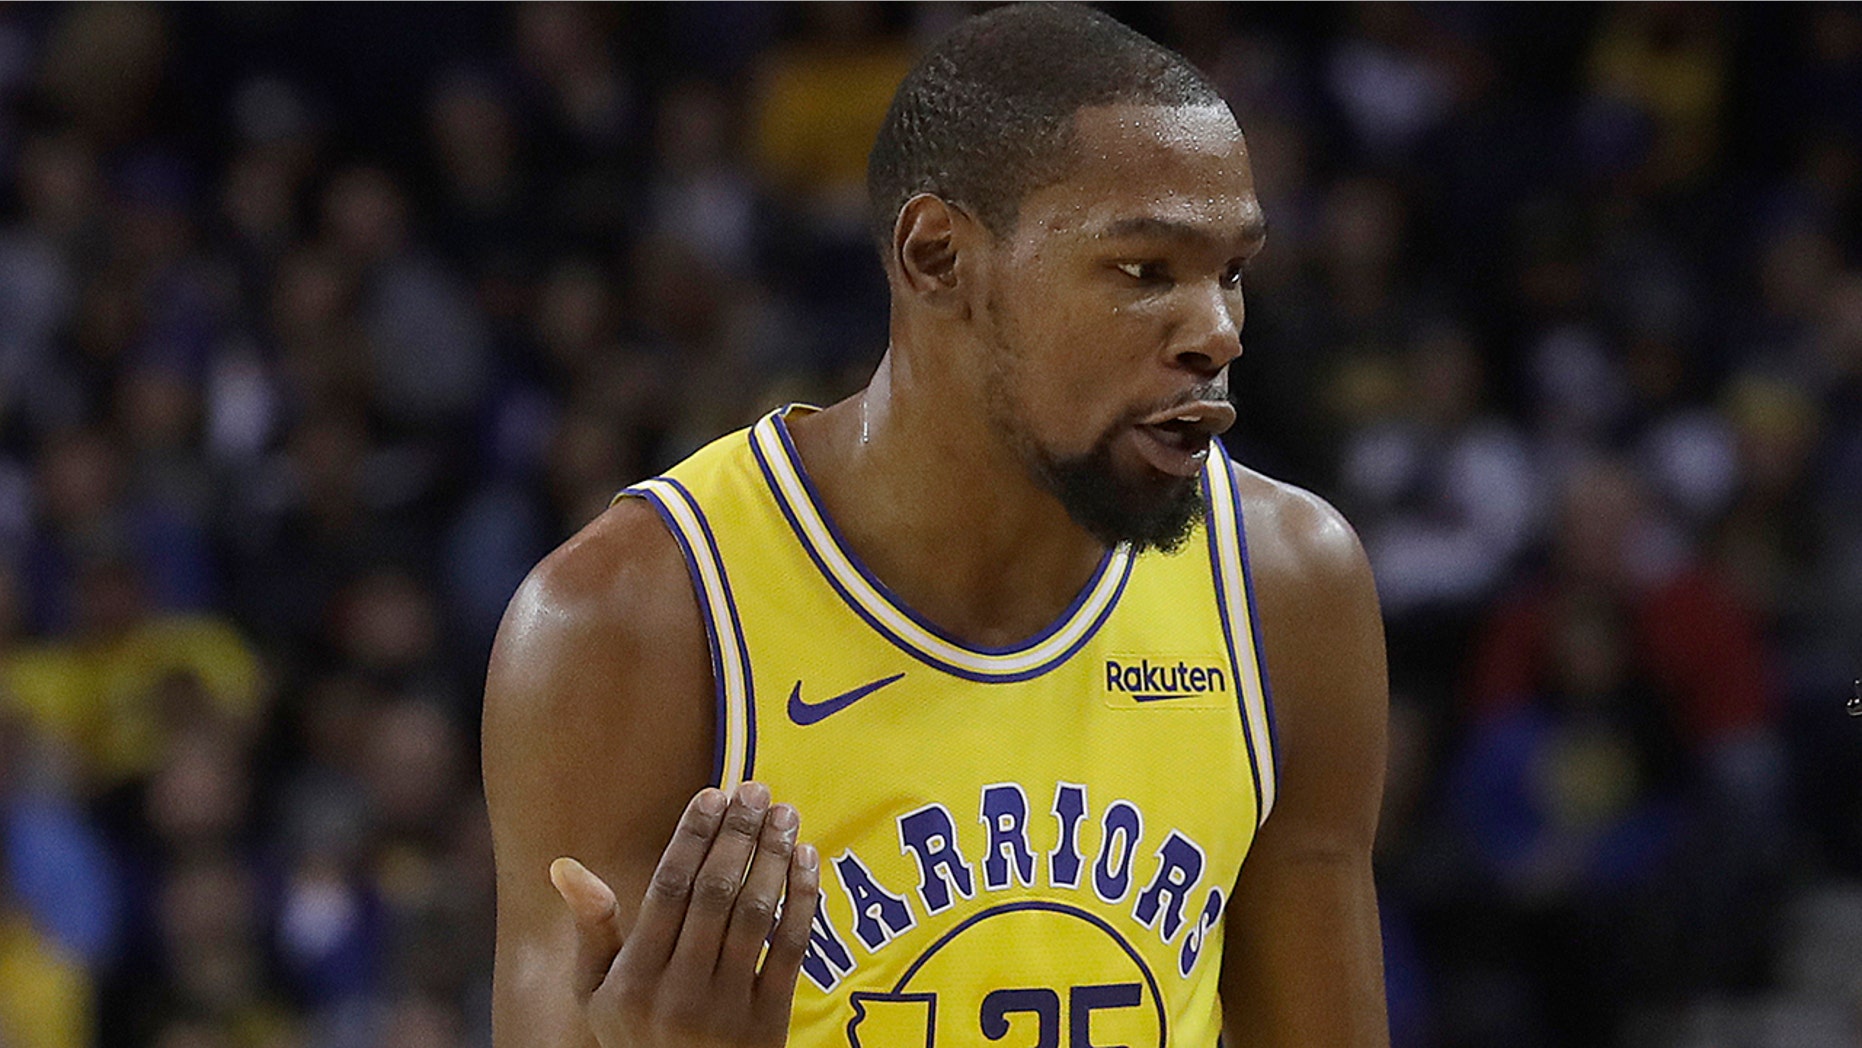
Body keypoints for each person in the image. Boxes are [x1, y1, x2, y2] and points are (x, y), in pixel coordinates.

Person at [483, 5, 1390, 1046]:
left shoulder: (1285, 587)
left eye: (1229, 272)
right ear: (935, 256)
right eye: (1145, 271)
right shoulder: (628, 622)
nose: (1216, 331)